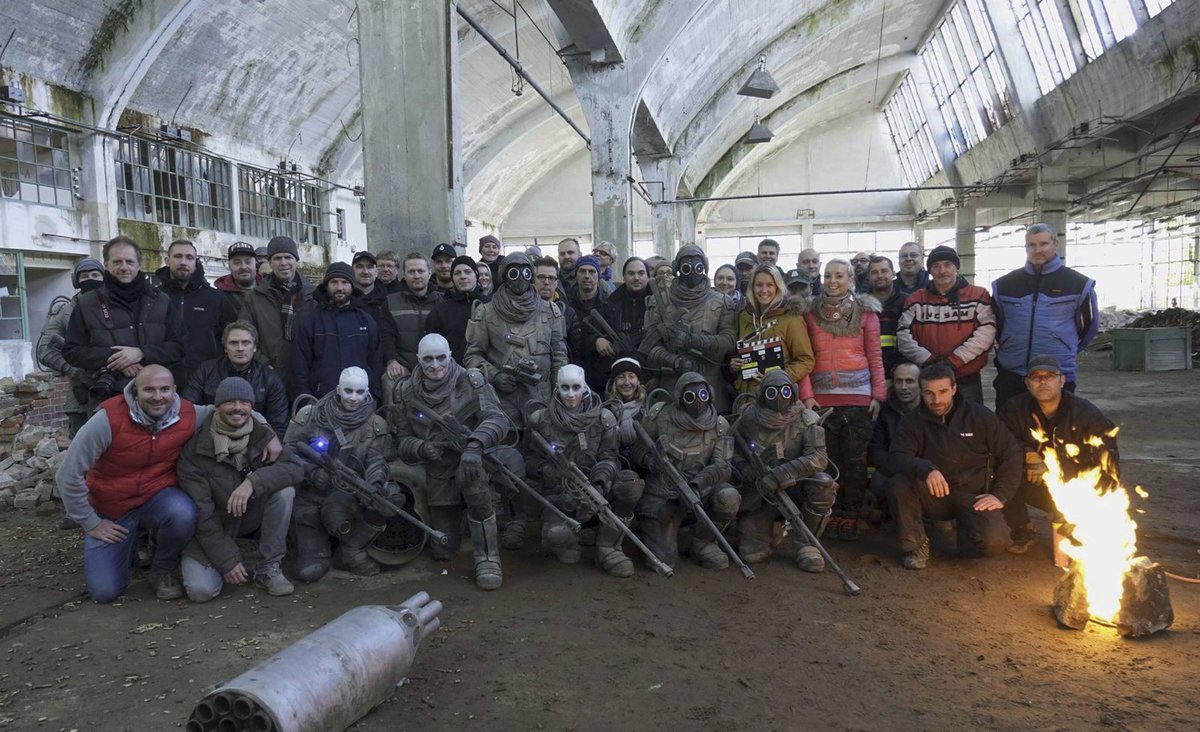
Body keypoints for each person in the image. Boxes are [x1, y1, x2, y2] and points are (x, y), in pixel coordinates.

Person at [55, 365, 282, 602]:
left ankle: (162, 568)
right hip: (112, 507)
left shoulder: (188, 414)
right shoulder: (107, 420)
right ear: (135, 391)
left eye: (164, 389)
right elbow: (68, 475)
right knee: (105, 592)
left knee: (184, 512)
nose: (158, 396)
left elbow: (230, 410)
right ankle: (127, 546)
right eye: (149, 390)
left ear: (174, 390)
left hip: (157, 498)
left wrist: (269, 433)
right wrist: (91, 523)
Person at [392, 334, 511, 590]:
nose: (435, 365)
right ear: (418, 360)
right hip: (437, 469)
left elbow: (498, 419)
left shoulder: (471, 381)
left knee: (474, 482)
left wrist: (475, 445)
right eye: (428, 359)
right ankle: (461, 522)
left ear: (450, 355)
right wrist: (422, 447)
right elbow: (402, 440)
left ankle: (487, 557)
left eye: (441, 357)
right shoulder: (406, 392)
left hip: (473, 461)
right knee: (444, 548)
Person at [177, 377, 302, 601]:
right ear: (217, 406)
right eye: (230, 402)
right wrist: (228, 560)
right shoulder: (195, 450)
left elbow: (294, 468)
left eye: (244, 402)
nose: (237, 408)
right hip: (214, 524)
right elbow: (202, 515)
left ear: (251, 407)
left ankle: (268, 568)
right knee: (201, 591)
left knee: (285, 492)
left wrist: (252, 482)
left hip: (249, 514)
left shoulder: (262, 435)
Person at [888, 363, 1022, 569]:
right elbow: (896, 457)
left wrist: (1000, 494)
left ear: (954, 388)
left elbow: (1011, 453)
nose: (936, 400)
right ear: (921, 392)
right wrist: (926, 468)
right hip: (935, 495)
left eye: (942, 392)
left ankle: (966, 535)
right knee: (900, 483)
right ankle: (915, 546)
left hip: (974, 496)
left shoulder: (980, 416)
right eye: (929, 393)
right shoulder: (912, 421)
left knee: (993, 544)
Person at [526, 365, 643, 576]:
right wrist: (546, 470)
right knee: (557, 536)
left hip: (597, 489)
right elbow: (530, 460)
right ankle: (572, 540)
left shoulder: (603, 418)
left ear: (585, 388)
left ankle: (608, 549)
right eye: (565, 388)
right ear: (557, 389)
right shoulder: (541, 419)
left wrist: (599, 482)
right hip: (560, 497)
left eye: (576, 387)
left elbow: (610, 456)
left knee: (629, 484)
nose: (571, 394)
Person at [799, 258, 885, 541]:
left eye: (839, 275)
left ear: (850, 279)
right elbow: (805, 357)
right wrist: (807, 395)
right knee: (828, 461)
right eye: (827, 275)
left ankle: (851, 514)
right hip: (821, 402)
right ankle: (829, 513)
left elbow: (874, 355)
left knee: (855, 462)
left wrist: (878, 394)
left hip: (859, 399)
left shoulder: (866, 313)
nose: (832, 281)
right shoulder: (810, 313)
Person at [997, 355, 1119, 554]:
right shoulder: (1014, 409)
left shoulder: (1085, 413)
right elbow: (1000, 440)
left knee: (1085, 543)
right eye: (1036, 377)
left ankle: (1072, 522)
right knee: (999, 469)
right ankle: (1021, 529)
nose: (1043, 382)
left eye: (1050, 376)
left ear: (1062, 380)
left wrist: (1091, 505)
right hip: (1033, 480)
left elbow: (1108, 459)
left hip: (1075, 484)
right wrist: (1028, 454)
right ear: (1026, 382)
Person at [284, 367, 391, 580]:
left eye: (360, 392)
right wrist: (312, 473)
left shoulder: (376, 425)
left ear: (367, 392)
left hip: (350, 496)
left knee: (389, 499)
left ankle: (350, 551)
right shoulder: (311, 414)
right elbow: (287, 454)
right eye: (348, 391)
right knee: (309, 571)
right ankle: (320, 551)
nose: (353, 398)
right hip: (311, 496)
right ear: (338, 389)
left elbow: (377, 461)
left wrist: (376, 483)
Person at [632, 371, 740, 569]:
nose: (697, 401)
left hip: (701, 490)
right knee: (663, 561)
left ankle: (703, 542)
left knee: (728, 497)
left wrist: (698, 484)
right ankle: (671, 536)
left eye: (703, 395)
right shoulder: (659, 415)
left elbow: (723, 467)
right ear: (680, 396)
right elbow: (638, 449)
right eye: (690, 396)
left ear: (710, 395)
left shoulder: (720, 425)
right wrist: (652, 461)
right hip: (662, 492)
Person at [63, 236, 184, 410]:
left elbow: (179, 346)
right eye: (117, 262)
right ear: (106, 265)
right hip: (107, 398)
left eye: (129, 261)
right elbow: (72, 351)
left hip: (156, 400)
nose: (124, 267)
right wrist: (117, 359)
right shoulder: (87, 303)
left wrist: (141, 353)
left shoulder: (162, 301)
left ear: (139, 264)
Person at [731, 370, 835, 571]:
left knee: (824, 484)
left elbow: (818, 458)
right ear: (761, 393)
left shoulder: (807, 419)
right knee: (751, 554)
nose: (779, 398)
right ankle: (772, 528)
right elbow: (734, 454)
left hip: (797, 486)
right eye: (772, 392)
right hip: (760, 493)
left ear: (794, 392)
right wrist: (750, 473)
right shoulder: (747, 418)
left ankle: (806, 543)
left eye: (785, 392)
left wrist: (781, 474)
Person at [991, 224, 1099, 407]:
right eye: (1031, 245)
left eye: (1043, 244)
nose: (1037, 250)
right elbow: (997, 325)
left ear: (1055, 244)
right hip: (1012, 374)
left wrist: (1066, 347)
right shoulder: (1004, 285)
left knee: (1056, 432)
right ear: (1026, 248)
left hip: (1057, 374)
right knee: (1007, 431)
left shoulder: (1078, 284)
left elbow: (1089, 327)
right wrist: (1010, 343)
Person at [465, 252, 567, 430]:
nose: (520, 278)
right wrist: (495, 376)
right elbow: (472, 355)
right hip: (502, 400)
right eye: (513, 272)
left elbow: (559, 356)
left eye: (525, 272)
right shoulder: (486, 312)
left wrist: (561, 394)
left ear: (531, 276)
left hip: (542, 398)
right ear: (504, 275)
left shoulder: (550, 311)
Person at [640, 245, 737, 414]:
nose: (692, 271)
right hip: (672, 387)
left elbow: (729, 341)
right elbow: (649, 347)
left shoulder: (722, 302)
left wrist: (692, 340)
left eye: (698, 267)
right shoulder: (660, 301)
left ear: (705, 267)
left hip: (711, 388)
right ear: (677, 268)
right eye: (686, 267)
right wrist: (674, 361)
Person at [896, 245, 996, 404]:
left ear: (956, 267)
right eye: (936, 266)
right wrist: (928, 360)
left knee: (969, 422)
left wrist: (953, 361)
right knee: (931, 425)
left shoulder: (978, 295)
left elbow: (986, 332)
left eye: (948, 265)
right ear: (929, 271)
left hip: (966, 378)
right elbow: (903, 335)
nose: (942, 271)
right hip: (929, 376)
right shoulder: (915, 300)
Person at [237, 235, 316, 400]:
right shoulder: (254, 297)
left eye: (288, 257)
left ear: (296, 260)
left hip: (308, 374)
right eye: (277, 258)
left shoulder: (314, 295)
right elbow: (244, 336)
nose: (283, 263)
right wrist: (265, 364)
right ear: (269, 262)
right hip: (268, 375)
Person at [182, 321, 290, 436]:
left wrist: (271, 442)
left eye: (246, 343)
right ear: (225, 348)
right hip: (210, 436)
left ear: (254, 348)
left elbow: (279, 425)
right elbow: (187, 410)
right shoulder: (205, 370)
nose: (240, 348)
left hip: (254, 441)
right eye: (234, 343)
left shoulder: (270, 379)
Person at [156, 239, 239, 387]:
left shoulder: (216, 298)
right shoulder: (154, 297)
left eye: (189, 257)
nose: (183, 262)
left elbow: (230, 338)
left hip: (208, 380)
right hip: (163, 380)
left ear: (196, 262)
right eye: (177, 256)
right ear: (167, 260)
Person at [294, 262, 382, 399]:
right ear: (326, 285)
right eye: (334, 282)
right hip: (321, 398)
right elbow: (300, 365)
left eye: (345, 282)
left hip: (358, 399)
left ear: (352, 286)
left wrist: (374, 397)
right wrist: (305, 399)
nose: (339, 288)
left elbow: (376, 362)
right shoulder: (311, 321)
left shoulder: (366, 321)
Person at [37, 257, 104, 436]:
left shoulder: (117, 307)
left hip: (116, 389)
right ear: (76, 281)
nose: (90, 279)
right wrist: (74, 370)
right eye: (84, 276)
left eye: (95, 274)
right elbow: (44, 350)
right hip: (81, 395)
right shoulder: (65, 311)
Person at [729, 263, 814, 396]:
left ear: (778, 287)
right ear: (752, 287)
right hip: (745, 397)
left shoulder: (792, 319)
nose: (764, 290)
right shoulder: (743, 317)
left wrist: (779, 378)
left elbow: (806, 360)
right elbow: (741, 351)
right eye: (759, 285)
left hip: (777, 398)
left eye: (770, 285)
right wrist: (735, 364)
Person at [866, 361, 921, 517]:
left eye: (909, 381)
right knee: (878, 481)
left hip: (925, 469)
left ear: (920, 383)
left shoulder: (932, 409)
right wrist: (899, 468)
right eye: (899, 381)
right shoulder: (884, 411)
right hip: (893, 468)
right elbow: (876, 450)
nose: (903, 387)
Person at [384, 252, 443, 382]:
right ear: (404, 275)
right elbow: (386, 335)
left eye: (421, 271)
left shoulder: (443, 302)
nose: (416, 276)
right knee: (389, 382)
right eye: (411, 272)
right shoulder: (390, 302)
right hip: (403, 366)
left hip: (437, 366)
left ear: (429, 273)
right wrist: (392, 361)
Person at [592, 257, 650, 386]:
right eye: (631, 273)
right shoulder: (611, 303)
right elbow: (590, 332)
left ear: (648, 277)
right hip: (619, 375)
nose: (636, 277)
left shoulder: (657, 304)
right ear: (623, 277)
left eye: (641, 273)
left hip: (651, 372)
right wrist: (597, 340)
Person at [425, 255, 489, 363]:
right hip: (452, 372)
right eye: (457, 273)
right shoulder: (440, 310)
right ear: (452, 278)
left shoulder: (489, 305)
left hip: (486, 371)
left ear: (476, 275)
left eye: (468, 272)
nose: (462, 276)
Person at [568, 255, 611, 390]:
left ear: (598, 276)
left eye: (592, 271)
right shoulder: (566, 305)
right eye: (582, 271)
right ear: (576, 275)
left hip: (603, 374)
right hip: (575, 374)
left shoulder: (610, 304)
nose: (587, 276)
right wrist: (594, 341)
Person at [533, 256, 580, 362]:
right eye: (541, 277)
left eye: (551, 278)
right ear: (533, 279)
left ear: (556, 282)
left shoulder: (567, 313)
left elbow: (576, 351)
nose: (546, 282)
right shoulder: (523, 310)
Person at [867, 255, 906, 380]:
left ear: (894, 273)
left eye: (884, 271)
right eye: (874, 272)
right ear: (868, 277)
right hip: (868, 371)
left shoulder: (907, 302)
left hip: (901, 370)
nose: (879, 275)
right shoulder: (860, 305)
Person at [214, 242, 261, 311]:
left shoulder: (270, 291)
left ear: (256, 265)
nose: (244, 267)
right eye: (237, 263)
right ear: (229, 266)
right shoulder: (218, 298)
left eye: (248, 262)